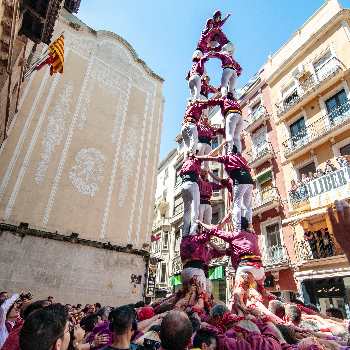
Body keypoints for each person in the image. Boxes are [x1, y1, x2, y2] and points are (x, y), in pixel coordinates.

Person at [195, 144, 254, 231]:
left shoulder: (228, 157)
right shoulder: (241, 158)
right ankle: (249, 226)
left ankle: (237, 228)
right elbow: (220, 181)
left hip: (240, 180)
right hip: (249, 181)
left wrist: (197, 157)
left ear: (228, 150)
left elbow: (210, 158)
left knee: (236, 204)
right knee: (248, 206)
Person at [198, 216, 264, 283]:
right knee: (256, 291)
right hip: (260, 269)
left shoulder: (234, 236)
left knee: (239, 292)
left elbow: (214, 230)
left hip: (245, 267)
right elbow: (220, 250)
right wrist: (209, 242)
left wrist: (202, 224)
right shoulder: (253, 235)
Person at [180, 154, 202, 236]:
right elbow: (199, 171)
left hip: (183, 185)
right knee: (195, 208)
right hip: (192, 183)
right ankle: (193, 230)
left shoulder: (185, 162)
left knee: (187, 210)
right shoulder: (195, 161)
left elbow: (181, 174)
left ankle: (185, 232)